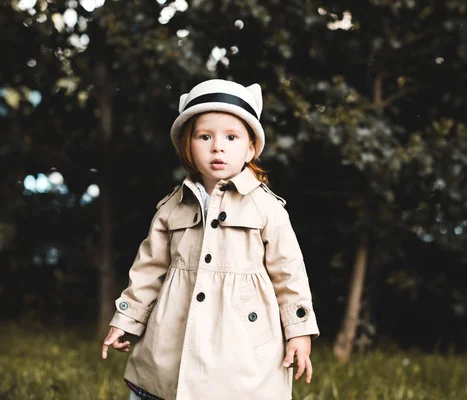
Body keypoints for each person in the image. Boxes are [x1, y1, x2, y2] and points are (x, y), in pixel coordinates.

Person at [101, 79, 320, 400]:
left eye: (231, 137)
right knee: (161, 383)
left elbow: (289, 273)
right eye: (205, 137)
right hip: (173, 335)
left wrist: (299, 331)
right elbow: (148, 270)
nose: (218, 146)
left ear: (250, 148)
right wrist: (127, 319)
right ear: (187, 146)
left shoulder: (266, 207)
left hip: (242, 343)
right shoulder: (172, 207)